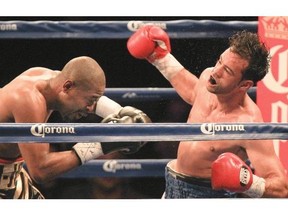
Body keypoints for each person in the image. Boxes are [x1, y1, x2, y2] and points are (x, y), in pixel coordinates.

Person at [127, 25, 288, 198]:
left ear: (245, 85)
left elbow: (282, 187)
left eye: (227, 71)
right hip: (171, 185)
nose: (216, 71)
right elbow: (192, 92)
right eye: (219, 61)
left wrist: (248, 183)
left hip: (206, 196)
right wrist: (159, 58)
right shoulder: (207, 78)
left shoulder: (248, 123)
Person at [0, 56, 151, 199]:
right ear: (67, 87)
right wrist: (100, 144)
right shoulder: (28, 100)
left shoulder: (53, 82)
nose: (91, 108)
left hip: (11, 173)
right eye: (90, 100)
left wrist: (121, 113)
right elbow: (41, 170)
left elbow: (83, 89)